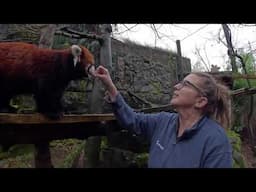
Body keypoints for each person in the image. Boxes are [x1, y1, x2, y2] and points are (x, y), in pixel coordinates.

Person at [93, 65, 233, 168]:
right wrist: (110, 87)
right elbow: (133, 120)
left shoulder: (216, 141)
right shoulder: (163, 122)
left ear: (200, 101)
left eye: (185, 84)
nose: (176, 86)